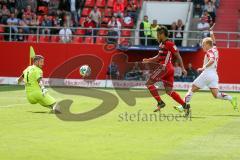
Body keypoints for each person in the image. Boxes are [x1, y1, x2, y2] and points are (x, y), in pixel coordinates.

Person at [175, 27, 238, 115]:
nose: (202, 46)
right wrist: (211, 31)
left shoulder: (209, 52)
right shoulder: (215, 49)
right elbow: (213, 40)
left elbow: (211, 60)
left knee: (192, 88)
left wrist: (203, 67)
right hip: (214, 75)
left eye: (203, 44)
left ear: (208, 45)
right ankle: (231, 98)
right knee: (216, 95)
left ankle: (183, 106)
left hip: (207, 73)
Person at [142, 26, 190, 114]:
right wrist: (149, 60)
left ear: (162, 34)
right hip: (169, 69)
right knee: (169, 91)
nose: (156, 36)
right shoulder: (161, 44)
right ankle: (185, 105)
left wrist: (183, 68)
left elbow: (178, 55)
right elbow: (158, 57)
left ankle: (160, 102)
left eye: (157, 34)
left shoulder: (170, 43)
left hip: (164, 68)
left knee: (149, 83)